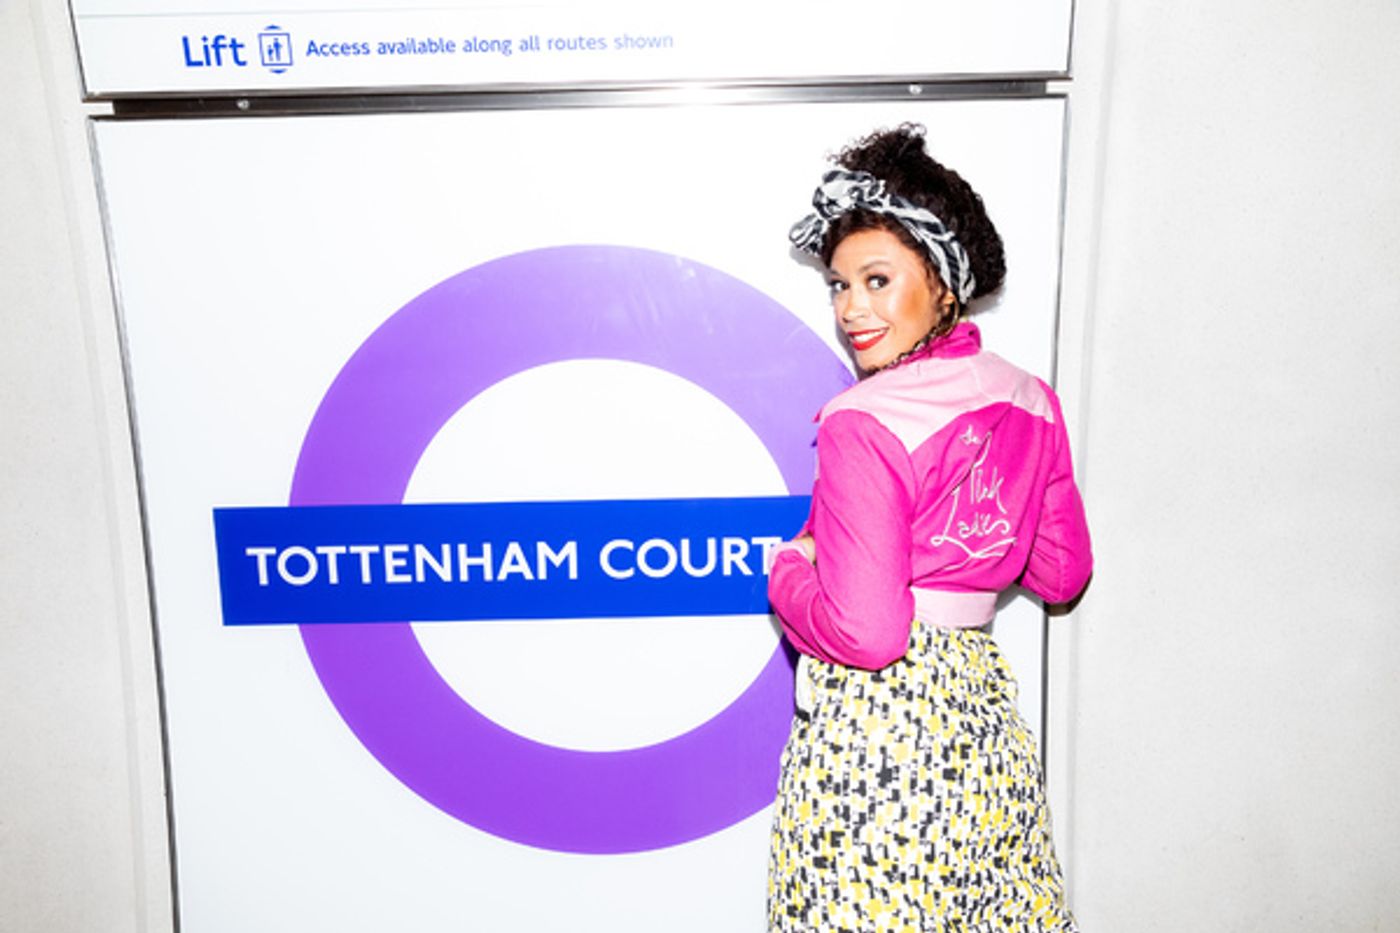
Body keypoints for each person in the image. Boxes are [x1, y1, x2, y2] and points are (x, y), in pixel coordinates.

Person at [766, 124, 1092, 932]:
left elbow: (870, 632)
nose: (853, 310)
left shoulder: (861, 419)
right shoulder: (1030, 397)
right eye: (840, 285)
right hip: (982, 730)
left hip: (877, 743)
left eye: (878, 280)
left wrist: (787, 573)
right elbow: (1060, 574)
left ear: (945, 282)